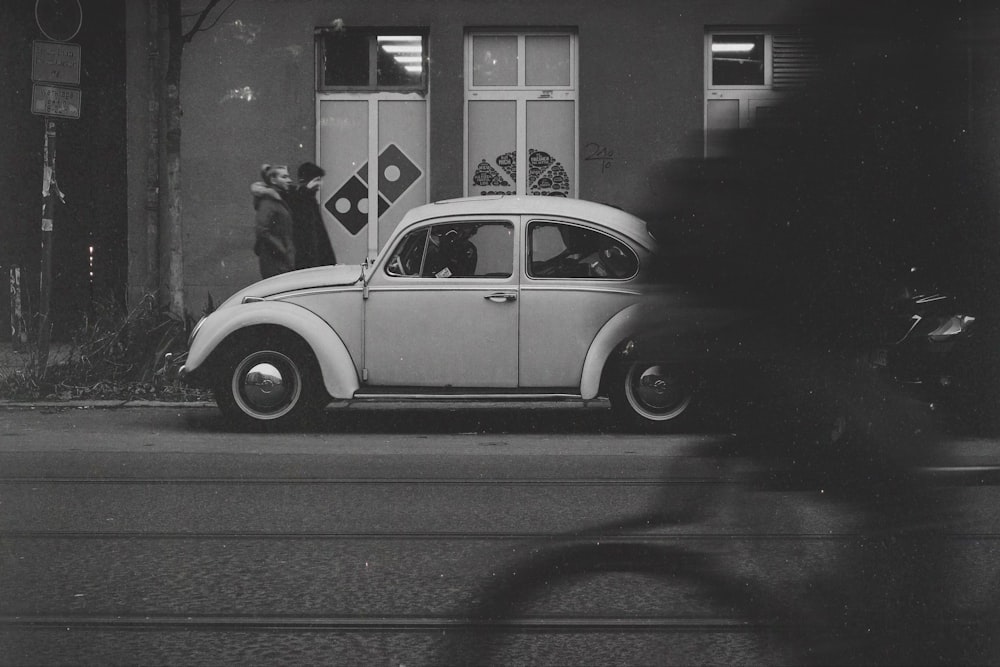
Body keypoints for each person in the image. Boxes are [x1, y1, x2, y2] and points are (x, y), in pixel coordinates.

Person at [289, 162, 337, 269]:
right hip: (310, 263)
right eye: (317, 180)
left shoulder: (307, 200)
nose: (320, 184)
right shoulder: (304, 202)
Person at [251, 163, 295, 278]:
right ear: (273, 180)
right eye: (284, 177)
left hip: (281, 260)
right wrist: (282, 250)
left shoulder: (278, 200)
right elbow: (261, 230)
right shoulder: (268, 202)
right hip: (274, 262)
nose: (289, 180)